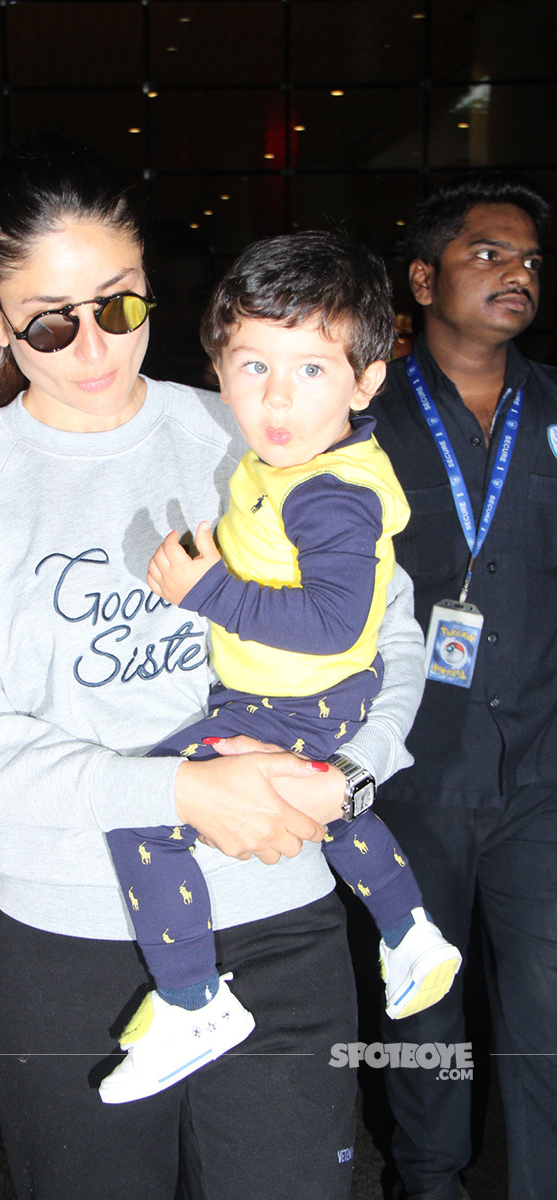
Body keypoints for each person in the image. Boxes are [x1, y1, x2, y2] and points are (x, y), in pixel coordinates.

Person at [0, 133, 426, 1200]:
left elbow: (389, 632)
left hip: (279, 919)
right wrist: (181, 789)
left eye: (119, 305)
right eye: (47, 320)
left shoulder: (246, 432)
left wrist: (344, 781)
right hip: (68, 944)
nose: (91, 347)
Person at [100, 233, 461, 1105]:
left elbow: (338, 620)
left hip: (297, 697)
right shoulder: (300, 466)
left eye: (311, 370)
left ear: (366, 381)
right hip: (317, 701)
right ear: (218, 366)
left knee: (145, 813)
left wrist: (209, 589)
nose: (276, 398)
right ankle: (410, 932)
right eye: (253, 366)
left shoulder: (327, 490)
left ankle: (192, 1000)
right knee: (326, 807)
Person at [370, 174, 557, 1200]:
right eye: (486, 253)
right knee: (417, 1005)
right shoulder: (358, 417)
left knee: (545, 1003)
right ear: (420, 277)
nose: (514, 273)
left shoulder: (556, 409)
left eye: (527, 259)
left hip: (540, 768)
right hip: (409, 770)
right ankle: (425, 1180)